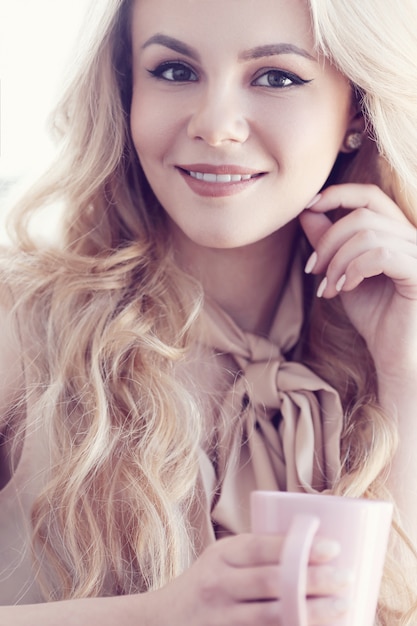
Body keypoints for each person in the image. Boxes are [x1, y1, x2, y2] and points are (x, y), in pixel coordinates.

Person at [0, 0, 416, 623]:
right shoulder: (21, 325)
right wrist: (160, 615)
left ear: (357, 109)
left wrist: (403, 372)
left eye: (275, 77)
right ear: (125, 89)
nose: (217, 125)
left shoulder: (392, 342)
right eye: (173, 71)